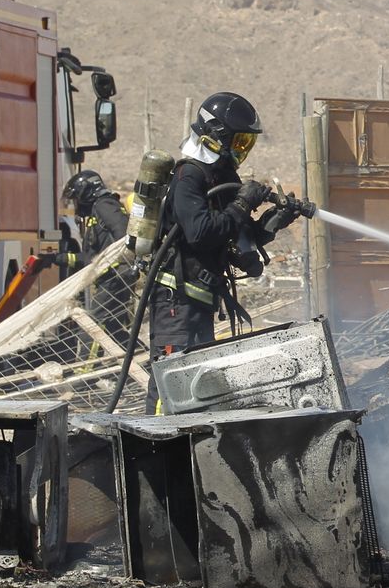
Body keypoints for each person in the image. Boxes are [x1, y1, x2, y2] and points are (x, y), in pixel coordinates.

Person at [147, 92, 300, 378]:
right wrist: (243, 203)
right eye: (240, 141)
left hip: (203, 300)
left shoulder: (223, 177)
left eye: (248, 143)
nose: (243, 149)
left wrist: (272, 223)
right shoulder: (188, 176)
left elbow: (233, 232)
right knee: (171, 383)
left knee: (198, 384)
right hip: (176, 302)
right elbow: (200, 232)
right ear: (216, 134)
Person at [60, 169, 129, 270]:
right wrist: (57, 258)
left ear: (85, 194)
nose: (76, 205)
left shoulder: (105, 205)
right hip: (106, 278)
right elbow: (89, 258)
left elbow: (123, 237)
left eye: (76, 200)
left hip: (115, 278)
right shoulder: (98, 211)